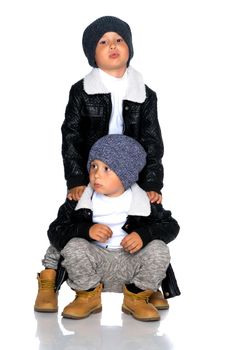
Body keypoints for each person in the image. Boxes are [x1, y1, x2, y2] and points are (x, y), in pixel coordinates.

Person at [34, 135, 180, 321]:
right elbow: (55, 230)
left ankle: (137, 297)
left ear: (125, 174)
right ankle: (87, 296)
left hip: (131, 265)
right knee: (73, 245)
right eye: (93, 166)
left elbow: (171, 226)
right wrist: (86, 231)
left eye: (106, 169)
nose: (96, 174)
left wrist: (144, 235)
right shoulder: (79, 199)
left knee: (159, 249)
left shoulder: (144, 200)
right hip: (94, 265)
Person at [62, 15, 164, 205]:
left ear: (129, 48)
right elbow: (71, 137)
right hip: (94, 173)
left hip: (132, 172)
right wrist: (76, 179)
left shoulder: (145, 94)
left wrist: (152, 183)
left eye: (119, 40)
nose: (112, 45)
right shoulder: (81, 91)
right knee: (80, 212)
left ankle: (142, 233)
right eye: (103, 42)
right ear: (92, 53)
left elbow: (152, 141)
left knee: (144, 214)